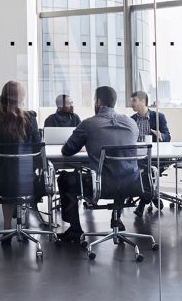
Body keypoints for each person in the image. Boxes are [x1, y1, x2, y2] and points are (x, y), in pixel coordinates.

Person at [58, 86, 139, 242]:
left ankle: (75, 230)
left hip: (100, 185)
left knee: (65, 178)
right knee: (120, 171)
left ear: (99, 102)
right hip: (132, 183)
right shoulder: (131, 123)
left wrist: (88, 144)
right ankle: (116, 217)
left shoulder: (89, 124)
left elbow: (67, 151)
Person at [0, 81, 41, 230]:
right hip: (27, 180)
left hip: (1, 180)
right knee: (17, 179)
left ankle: (7, 224)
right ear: (22, 97)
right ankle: (22, 223)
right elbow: (37, 148)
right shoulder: (30, 117)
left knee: (7, 180)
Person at [129, 90, 170, 216]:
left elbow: (168, 137)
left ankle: (142, 203)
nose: (132, 104)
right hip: (137, 156)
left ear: (142, 101)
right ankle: (152, 196)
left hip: (154, 155)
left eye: (134, 101)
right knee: (147, 172)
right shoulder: (131, 120)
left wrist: (160, 135)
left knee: (149, 170)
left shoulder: (158, 117)